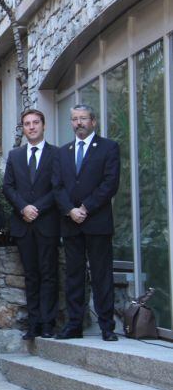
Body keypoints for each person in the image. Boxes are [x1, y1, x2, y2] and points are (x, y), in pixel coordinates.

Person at [52, 104, 120, 342]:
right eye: (74, 119)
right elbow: (57, 186)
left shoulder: (108, 148)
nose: (78, 123)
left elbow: (110, 183)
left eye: (83, 118)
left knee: (102, 275)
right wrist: (70, 209)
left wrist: (85, 207)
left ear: (93, 121)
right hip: (71, 223)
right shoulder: (63, 152)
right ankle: (74, 324)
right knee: (73, 275)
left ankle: (107, 326)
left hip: (97, 221)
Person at [2, 109, 59, 340]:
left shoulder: (56, 154)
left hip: (46, 223)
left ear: (43, 126)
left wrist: (37, 208)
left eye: (36, 123)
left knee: (49, 274)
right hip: (23, 224)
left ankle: (48, 322)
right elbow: (8, 187)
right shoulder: (15, 155)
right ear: (23, 128)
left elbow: (58, 187)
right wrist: (23, 207)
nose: (32, 127)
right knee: (31, 275)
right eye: (27, 124)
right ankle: (33, 323)